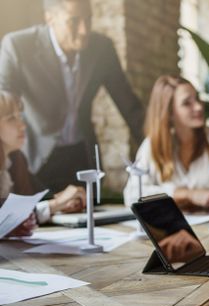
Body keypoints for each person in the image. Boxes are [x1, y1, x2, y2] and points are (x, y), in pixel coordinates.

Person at [0, 0, 145, 195]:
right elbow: (5, 105)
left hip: (82, 158)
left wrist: (157, 150)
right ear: (49, 18)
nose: (84, 30)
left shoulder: (102, 49)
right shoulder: (18, 46)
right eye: (74, 21)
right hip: (36, 161)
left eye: (88, 19)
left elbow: (130, 107)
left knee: (90, 218)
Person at [123, 76, 209, 211]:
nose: (198, 106)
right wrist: (187, 194)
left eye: (197, 98)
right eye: (187, 103)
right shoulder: (152, 145)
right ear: (169, 113)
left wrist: (185, 201)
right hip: (175, 229)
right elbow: (132, 196)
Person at [0, 90, 85, 228]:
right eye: (11, 119)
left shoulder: (16, 160)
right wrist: (55, 205)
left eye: (20, 116)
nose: (22, 125)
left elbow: (42, 198)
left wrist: (65, 203)